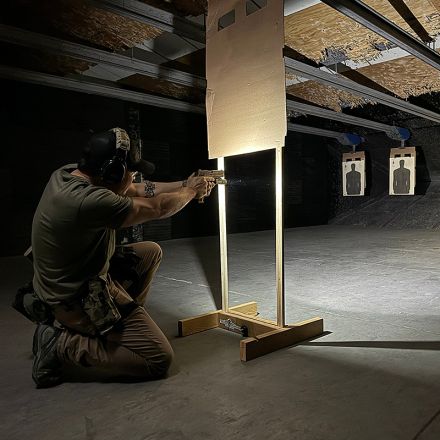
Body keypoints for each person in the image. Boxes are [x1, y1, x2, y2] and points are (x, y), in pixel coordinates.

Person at [30, 127, 215, 388]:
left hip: (73, 276)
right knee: (158, 358)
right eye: (131, 170)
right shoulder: (89, 200)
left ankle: (120, 327)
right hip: (73, 297)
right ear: (113, 172)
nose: (135, 175)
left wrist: (185, 183)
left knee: (149, 252)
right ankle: (60, 343)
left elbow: (137, 189)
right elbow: (157, 207)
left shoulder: (69, 174)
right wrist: (192, 192)